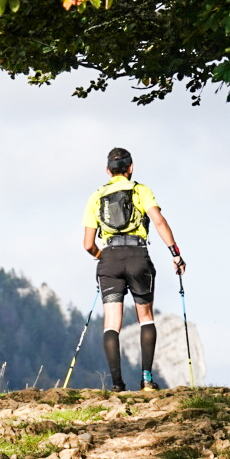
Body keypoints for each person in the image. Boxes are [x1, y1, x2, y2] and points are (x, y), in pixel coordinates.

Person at [82, 147, 186, 391]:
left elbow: (88, 244)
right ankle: (147, 380)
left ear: (108, 171)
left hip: (109, 259)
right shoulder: (141, 190)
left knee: (111, 324)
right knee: (146, 317)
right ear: (131, 168)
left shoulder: (96, 196)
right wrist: (176, 255)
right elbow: (158, 221)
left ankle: (117, 385)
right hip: (138, 256)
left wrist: (102, 256)